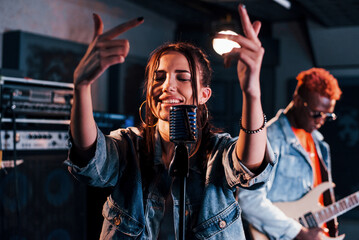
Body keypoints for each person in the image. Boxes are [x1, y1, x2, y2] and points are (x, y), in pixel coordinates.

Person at [65, 4, 275, 240]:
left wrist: (252, 92)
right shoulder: (128, 146)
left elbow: (250, 168)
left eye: (183, 78)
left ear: (204, 95)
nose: (167, 86)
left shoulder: (217, 151)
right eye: (159, 77)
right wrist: (81, 86)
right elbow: (90, 157)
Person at [238, 67, 342, 240]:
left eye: (327, 116)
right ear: (297, 100)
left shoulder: (320, 144)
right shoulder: (270, 138)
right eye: (316, 114)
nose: (321, 121)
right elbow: (248, 200)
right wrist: (298, 232)